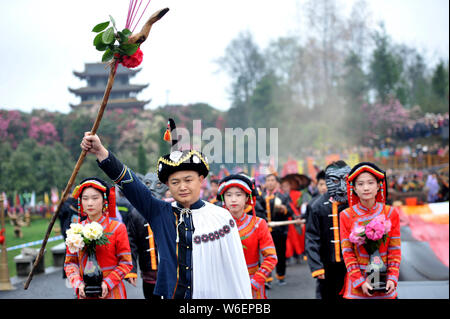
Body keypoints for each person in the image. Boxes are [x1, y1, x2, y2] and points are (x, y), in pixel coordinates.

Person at [80, 119, 252, 299]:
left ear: (201, 179)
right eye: (175, 182)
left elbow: (235, 270)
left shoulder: (221, 217)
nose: (182, 187)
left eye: (188, 180)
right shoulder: (159, 213)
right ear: (168, 186)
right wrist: (101, 152)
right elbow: (132, 186)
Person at [339, 162, 401, 299]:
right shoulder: (346, 215)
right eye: (360, 184)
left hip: (385, 282)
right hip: (358, 286)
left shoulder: (391, 213)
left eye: (370, 183)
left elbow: (395, 248)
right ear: (354, 188)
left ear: (379, 185)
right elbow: (347, 251)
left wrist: (392, 277)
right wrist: (359, 281)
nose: (366, 188)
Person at [64, 177, 132, 299]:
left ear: (104, 200)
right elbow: (70, 263)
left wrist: (107, 283)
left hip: (112, 292)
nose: (90, 203)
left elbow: (126, 262)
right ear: (80, 201)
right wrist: (78, 284)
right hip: (85, 293)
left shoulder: (117, 228)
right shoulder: (75, 230)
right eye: (85, 198)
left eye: (95, 198)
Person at [217, 174, 277, 299]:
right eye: (229, 195)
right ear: (223, 198)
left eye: (238, 195)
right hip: (225, 284)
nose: (233, 199)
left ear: (246, 198)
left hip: (253, 283)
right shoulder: (215, 225)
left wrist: (255, 282)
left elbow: (271, 257)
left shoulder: (259, 224)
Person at [305, 160, 351, 301]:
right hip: (327, 266)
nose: (342, 186)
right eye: (336, 180)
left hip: (352, 265)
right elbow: (312, 237)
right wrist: (317, 266)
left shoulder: (354, 204)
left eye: (346, 180)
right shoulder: (317, 206)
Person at [260, 173, 293, 286]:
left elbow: (290, 212)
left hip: (279, 230)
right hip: (264, 231)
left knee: (280, 254)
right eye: (268, 180)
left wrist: (283, 209)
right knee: (265, 255)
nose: (270, 182)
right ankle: (267, 278)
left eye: (272, 180)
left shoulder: (283, 197)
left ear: (276, 182)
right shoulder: (261, 197)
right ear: (265, 183)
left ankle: (281, 276)